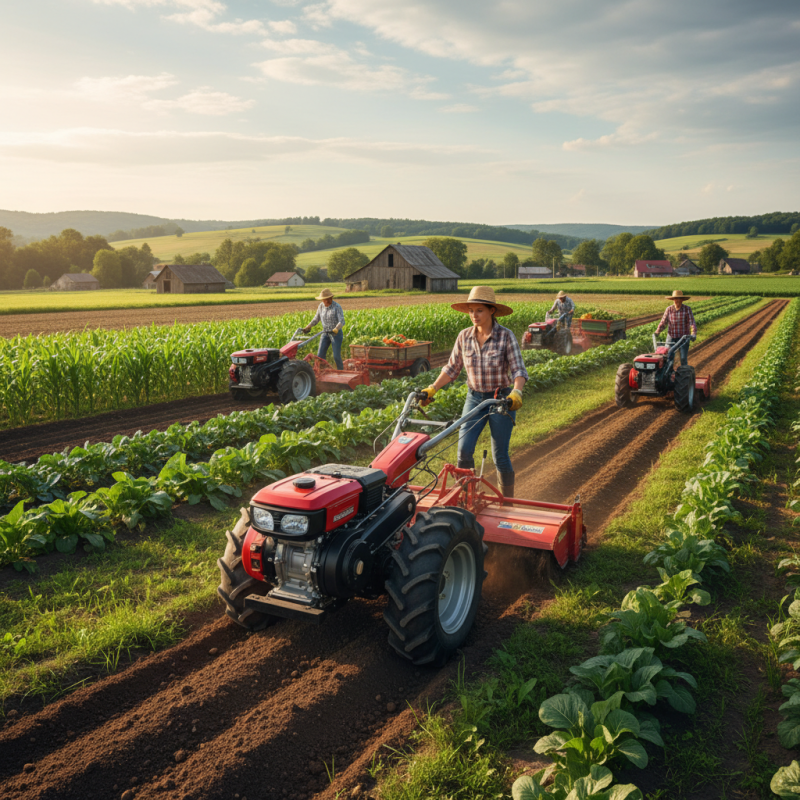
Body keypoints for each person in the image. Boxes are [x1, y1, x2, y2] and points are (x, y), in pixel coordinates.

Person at [420, 286, 528, 500]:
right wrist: (432, 388)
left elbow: (518, 370)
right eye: (471, 310)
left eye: (479, 310)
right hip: (474, 398)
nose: (474, 315)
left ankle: (506, 502)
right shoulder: (464, 337)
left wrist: (517, 392)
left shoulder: (506, 336)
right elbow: (451, 369)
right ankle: (465, 499)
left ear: (491, 311)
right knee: (463, 450)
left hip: (501, 400)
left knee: (500, 456)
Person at [303, 288, 345, 369]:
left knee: (336, 356)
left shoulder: (337, 307)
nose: (323, 301)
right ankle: (323, 372)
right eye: (322, 300)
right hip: (325, 333)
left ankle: (341, 372)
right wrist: (309, 326)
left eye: (325, 300)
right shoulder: (321, 306)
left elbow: (342, 321)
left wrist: (336, 328)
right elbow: (316, 318)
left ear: (329, 299)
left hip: (336, 334)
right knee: (320, 356)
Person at [655, 289, 697, 366]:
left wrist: (693, 333)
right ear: (673, 300)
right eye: (675, 299)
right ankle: (668, 375)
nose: (677, 301)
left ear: (682, 300)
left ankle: (684, 373)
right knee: (668, 357)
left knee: (683, 358)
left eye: (679, 299)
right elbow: (663, 322)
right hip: (671, 337)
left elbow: (692, 322)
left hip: (683, 338)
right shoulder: (669, 309)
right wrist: (657, 331)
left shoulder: (687, 309)